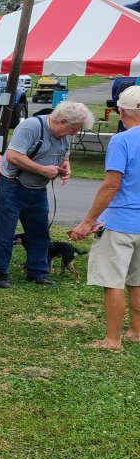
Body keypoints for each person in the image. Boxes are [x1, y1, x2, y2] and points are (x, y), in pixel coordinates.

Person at [0, 100, 92, 289]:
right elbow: (12, 156)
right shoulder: (31, 127)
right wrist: (43, 170)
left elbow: (64, 154)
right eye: (72, 130)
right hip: (12, 185)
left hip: (37, 190)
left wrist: (65, 165)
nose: (73, 134)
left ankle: (37, 272)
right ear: (61, 122)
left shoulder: (65, 134)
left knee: (40, 233)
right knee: (5, 232)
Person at [69, 87, 140, 350]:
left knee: (113, 282)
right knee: (137, 280)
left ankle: (112, 340)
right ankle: (135, 331)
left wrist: (88, 221)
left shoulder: (121, 141)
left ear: (121, 112)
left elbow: (111, 186)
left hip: (121, 223)